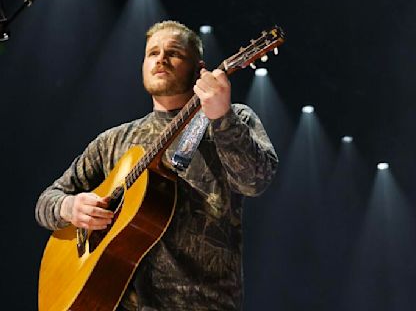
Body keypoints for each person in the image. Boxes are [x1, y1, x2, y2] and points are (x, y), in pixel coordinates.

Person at [35, 20, 278, 311]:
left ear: (199, 68)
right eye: (153, 53)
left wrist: (222, 118)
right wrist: (70, 208)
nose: (161, 59)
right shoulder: (113, 141)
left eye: (173, 52)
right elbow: (46, 202)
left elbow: (255, 182)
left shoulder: (231, 118)